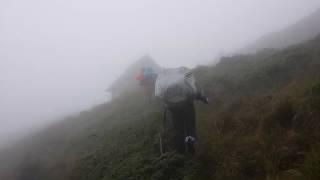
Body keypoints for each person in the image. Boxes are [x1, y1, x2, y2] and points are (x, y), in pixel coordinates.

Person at [155, 67, 208, 154]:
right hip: (187, 107)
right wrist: (204, 99)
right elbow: (194, 93)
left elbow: (160, 97)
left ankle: (181, 152)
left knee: (178, 130)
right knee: (189, 127)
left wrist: (167, 105)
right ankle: (191, 150)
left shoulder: (165, 83)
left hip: (173, 109)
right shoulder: (185, 80)